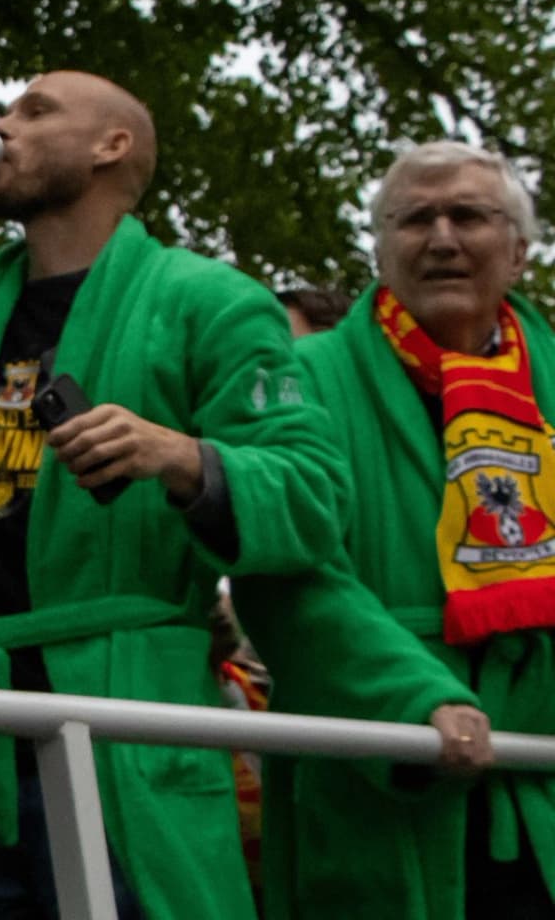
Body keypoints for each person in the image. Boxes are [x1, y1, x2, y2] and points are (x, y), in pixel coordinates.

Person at [0, 73, 358, 920]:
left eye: (35, 111)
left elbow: (314, 498)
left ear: (111, 146)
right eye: (5, 112)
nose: (2, 126)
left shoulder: (209, 302)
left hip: (125, 733)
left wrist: (182, 456)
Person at [233, 141, 550, 918]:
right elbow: (285, 574)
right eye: (414, 220)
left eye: (467, 215)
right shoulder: (306, 382)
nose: (441, 237)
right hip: (382, 770)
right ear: (380, 249)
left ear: (517, 250)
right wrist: (413, 700)